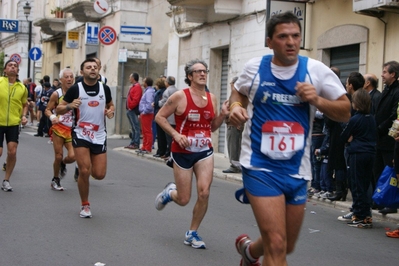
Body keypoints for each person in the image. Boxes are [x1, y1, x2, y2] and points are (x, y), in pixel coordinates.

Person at [228, 12, 350, 265]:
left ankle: (249, 252)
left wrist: (316, 100)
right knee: (277, 243)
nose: (291, 42)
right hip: (260, 165)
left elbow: (346, 112)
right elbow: (237, 93)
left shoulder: (315, 71)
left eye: (295, 36)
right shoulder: (255, 68)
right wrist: (236, 108)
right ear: (270, 41)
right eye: (283, 37)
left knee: (286, 244)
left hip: (297, 169)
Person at [154, 59, 229, 249]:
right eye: (198, 72)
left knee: (204, 192)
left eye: (204, 71)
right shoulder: (180, 96)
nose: (203, 74)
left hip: (204, 151)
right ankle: (170, 193)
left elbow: (212, 127)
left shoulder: (211, 98)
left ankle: (192, 232)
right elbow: (159, 117)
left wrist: (222, 115)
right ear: (190, 76)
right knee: (184, 199)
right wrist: (176, 135)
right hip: (182, 151)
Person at [56, 58, 115, 218]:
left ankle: (86, 166)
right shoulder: (76, 89)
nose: (92, 69)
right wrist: (69, 106)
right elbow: (58, 109)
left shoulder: (105, 89)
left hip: (99, 135)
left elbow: (111, 105)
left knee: (100, 174)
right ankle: (85, 205)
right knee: (84, 170)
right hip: (81, 133)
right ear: (82, 72)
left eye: (95, 67)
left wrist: (110, 112)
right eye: (89, 67)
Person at [339, 89, 376, 228]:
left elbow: (343, 137)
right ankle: (366, 215)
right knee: (365, 184)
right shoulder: (371, 118)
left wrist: (351, 139)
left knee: (356, 185)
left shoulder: (355, 119)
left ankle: (359, 216)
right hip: (370, 153)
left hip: (357, 153)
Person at [373, 61, 399, 215]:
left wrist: (380, 128)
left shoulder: (396, 91)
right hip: (379, 139)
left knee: (391, 173)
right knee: (379, 171)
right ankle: (380, 198)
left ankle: (391, 202)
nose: (382, 75)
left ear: (393, 74)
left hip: (389, 140)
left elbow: (392, 116)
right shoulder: (386, 89)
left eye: (384, 72)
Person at [44, 68, 76, 191]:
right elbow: (47, 109)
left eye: (71, 77)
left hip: (72, 129)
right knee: (58, 156)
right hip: (59, 127)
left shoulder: (77, 92)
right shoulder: (56, 94)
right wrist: (52, 117)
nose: (69, 79)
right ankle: (55, 179)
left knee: (73, 157)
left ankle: (63, 163)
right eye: (66, 77)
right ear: (61, 80)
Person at [0, 60, 28, 191]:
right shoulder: (0, 82)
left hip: (13, 123)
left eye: (15, 66)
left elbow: (24, 104)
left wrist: (23, 116)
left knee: (12, 152)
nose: (12, 67)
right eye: (10, 65)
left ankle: (6, 180)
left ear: (17, 71)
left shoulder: (22, 88)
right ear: (5, 70)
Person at [223, 76, 243, 174]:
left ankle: (234, 166)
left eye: (232, 83)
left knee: (233, 145)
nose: (230, 85)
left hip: (234, 124)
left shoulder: (238, 96)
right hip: (231, 124)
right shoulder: (234, 95)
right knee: (232, 144)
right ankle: (235, 164)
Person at [158, 76, 178, 159]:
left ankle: (170, 154)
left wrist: (158, 103)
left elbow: (163, 103)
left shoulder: (167, 91)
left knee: (169, 137)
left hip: (169, 117)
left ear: (167, 83)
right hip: (176, 117)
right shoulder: (178, 90)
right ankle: (172, 153)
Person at [136, 77, 155, 154]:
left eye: (144, 81)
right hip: (145, 114)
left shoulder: (149, 92)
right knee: (144, 131)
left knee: (147, 131)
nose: (142, 82)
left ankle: (147, 147)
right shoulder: (147, 91)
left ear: (146, 83)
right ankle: (144, 146)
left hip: (147, 114)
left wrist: (144, 111)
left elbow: (149, 103)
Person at [125, 72, 142, 150]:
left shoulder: (137, 87)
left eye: (130, 77)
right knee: (133, 127)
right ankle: (133, 142)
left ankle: (136, 143)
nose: (129, 78)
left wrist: (130, 107)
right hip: (130, 109)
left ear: (133, 78)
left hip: (132, 110)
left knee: (136, 127)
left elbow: (136, 99)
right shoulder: (133, 86)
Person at [153, 78, 167, 158]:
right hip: (159, 112)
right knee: (161, 134)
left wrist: (155, 104)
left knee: (161, 134)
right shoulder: (161, 91)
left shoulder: (161, 93)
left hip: (159, 113)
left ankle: (161, 151)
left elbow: (160, 102)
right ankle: (161, 150)